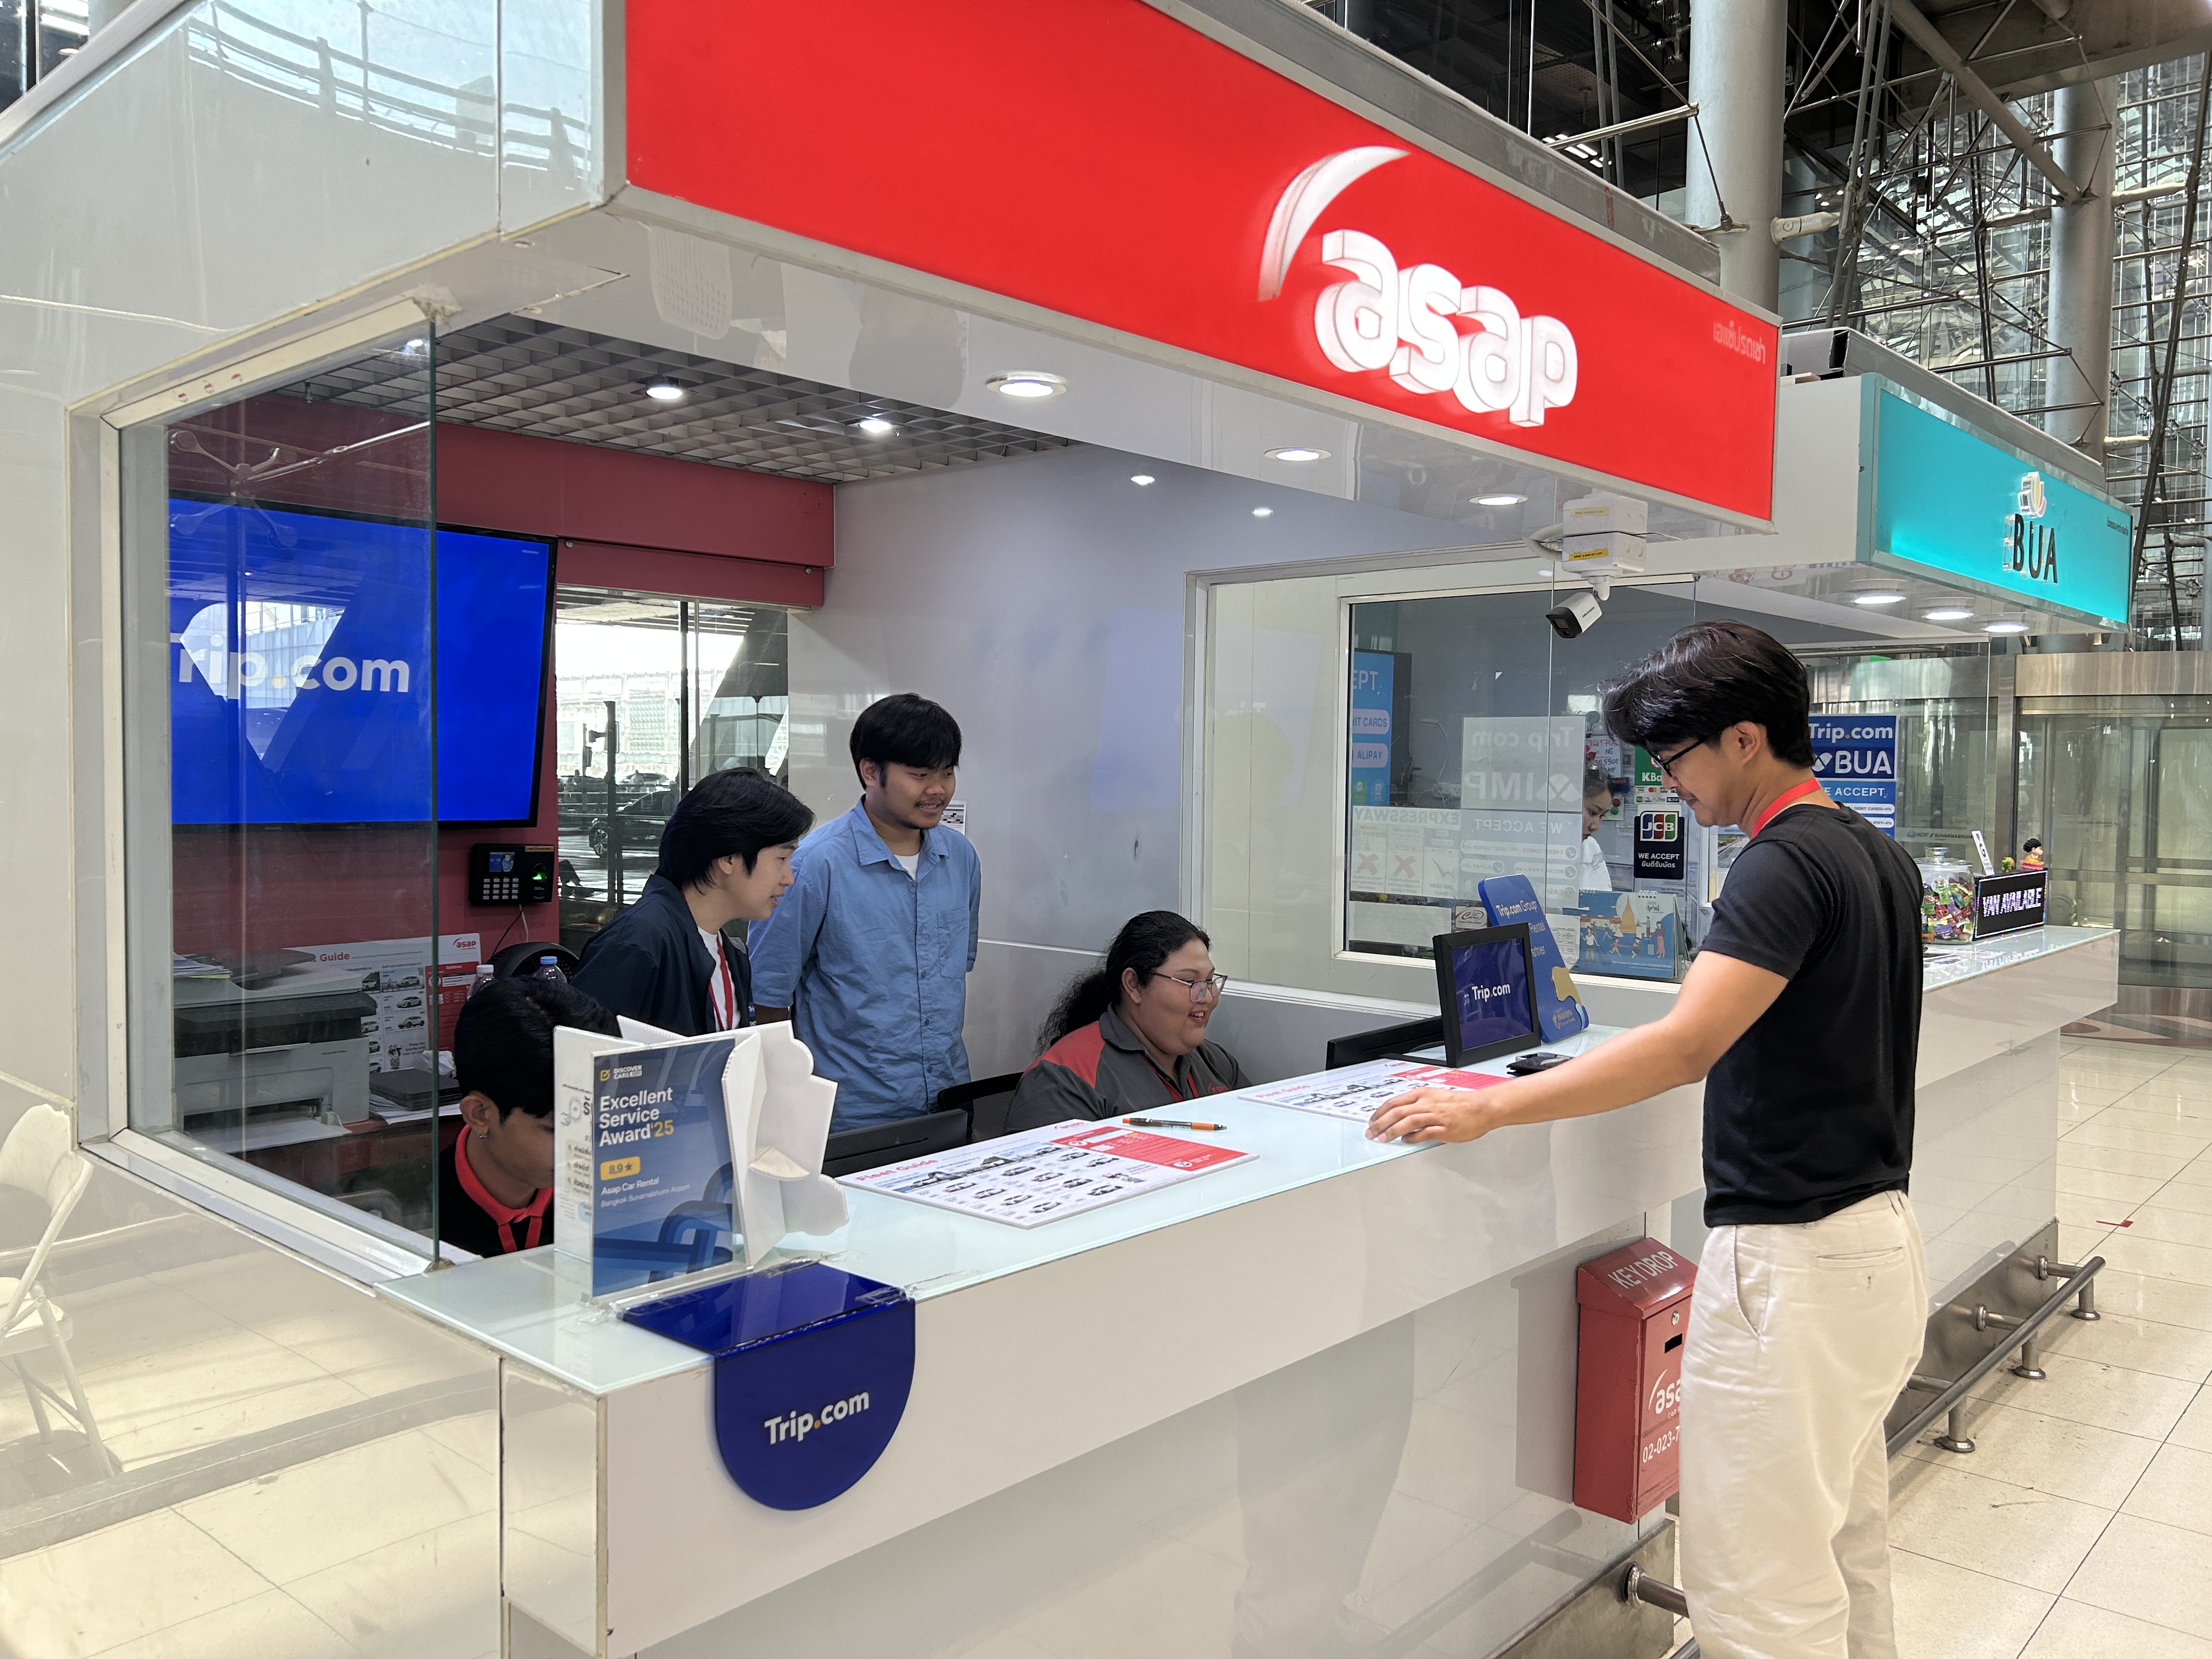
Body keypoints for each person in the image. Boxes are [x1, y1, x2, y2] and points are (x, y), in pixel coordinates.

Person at [1369, 622, 1927, 1659]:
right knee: (1844, 1554)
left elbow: (1685, 1045)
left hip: (1792, 1269)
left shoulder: (1780, 862)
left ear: (1745, 738)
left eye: (1674, 759)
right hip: (1876, 1249)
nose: (1668, 785)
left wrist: (1489, 1108)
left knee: (1759, 1591)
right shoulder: (1873, 852)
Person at [749, 693, 982, 1131]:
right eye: (920, 775)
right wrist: (785, 1105)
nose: (938, 789)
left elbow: (953, 971)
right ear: (871, 772)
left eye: (947, 772)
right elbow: (768, 996)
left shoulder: (961, 857)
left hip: (948, 1098)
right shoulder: (815, 864)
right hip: (850, 1113)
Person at [573, 767, 813, 1036]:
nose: (789, 879)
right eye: (782, 859)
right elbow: (583, 1054)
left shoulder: (731, 954)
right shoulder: (637, 943)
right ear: (728, 858)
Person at [1007, 911, 1249, 1131]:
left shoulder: (1215, 1062)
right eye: (1189, 982)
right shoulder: (1063, 1081)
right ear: (1133, 985)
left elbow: (1257, 1129)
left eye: (1210, 982)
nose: (1207, 997)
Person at [438, 976, 619, 1258]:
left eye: (602, 1121)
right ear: (480, 1114)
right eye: (558, 1129)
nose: (587, 1149)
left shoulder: (613, 1190)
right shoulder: (421, 1218)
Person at [1578, 762, 1616, 892]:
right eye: (1593, 813)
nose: (1595, 826)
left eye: (1602, 816)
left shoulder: (1590, 848)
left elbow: (1600, 902)